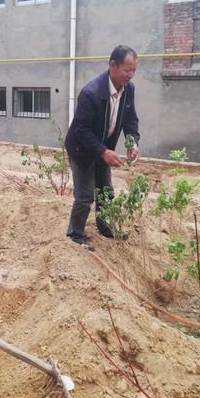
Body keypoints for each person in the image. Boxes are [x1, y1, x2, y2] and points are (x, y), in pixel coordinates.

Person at [65, 45, 140, 250]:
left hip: (102, 148)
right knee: (85, 194)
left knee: (105, 191)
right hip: (82, 149)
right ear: (113, 66)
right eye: (127, 70)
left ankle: (105, 228)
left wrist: (132, 141)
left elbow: (130, 119)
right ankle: (75, 235)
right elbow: (81, 130)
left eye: (134, 70)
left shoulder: (128, 90)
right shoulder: (91, 93)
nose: (131, 75)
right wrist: (102, 151)